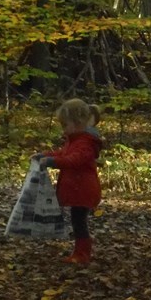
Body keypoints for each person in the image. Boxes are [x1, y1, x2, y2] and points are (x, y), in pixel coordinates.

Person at [35, 98, 102, 264]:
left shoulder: (86, 143)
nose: (63, 129)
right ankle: (80, 251)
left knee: (79, 221)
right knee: (77, 220)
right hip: (78, 188)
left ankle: (83, 253)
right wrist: (45, 155)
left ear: (78, 122)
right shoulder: (75, 139)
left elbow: (73, 160)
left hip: (84, 189)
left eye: (65, 125)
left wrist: (52, 162)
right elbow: (63, 154)